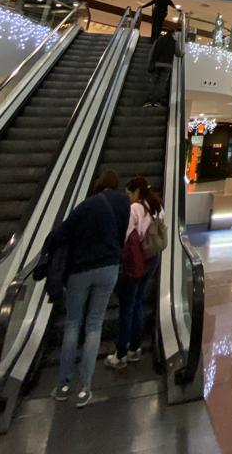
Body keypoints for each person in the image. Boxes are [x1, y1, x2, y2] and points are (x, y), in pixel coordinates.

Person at [51, 170, 130, 407]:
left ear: (98, 185)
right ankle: (85, 388)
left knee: (74, 324)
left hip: (81, 270)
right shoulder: (124, 203)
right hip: (110, 268)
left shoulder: (87, 206)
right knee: (94, 325)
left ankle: (64, 385)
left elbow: (60, 234)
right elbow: (122, 235)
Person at [105, 177, 164, 369]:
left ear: (137, 191)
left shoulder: (135, 209)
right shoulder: (157, 206)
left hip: (136, 262)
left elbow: (127, 238)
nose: (128, 197)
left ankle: (121, 353)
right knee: (138, 300)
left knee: (127, 306)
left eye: (129, 193)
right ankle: (135, 348)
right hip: (152, 259)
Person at [144, 27, 180, 107]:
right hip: (167, 66)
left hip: (156, 64)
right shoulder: (174, 42)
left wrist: (150, 62)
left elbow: (152, 51)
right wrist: (183, 53)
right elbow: (178, 53)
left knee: (153, 81)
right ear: (173, 33)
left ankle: (149, 100)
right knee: (162, 83)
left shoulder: (159, 39)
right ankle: (157, 101)